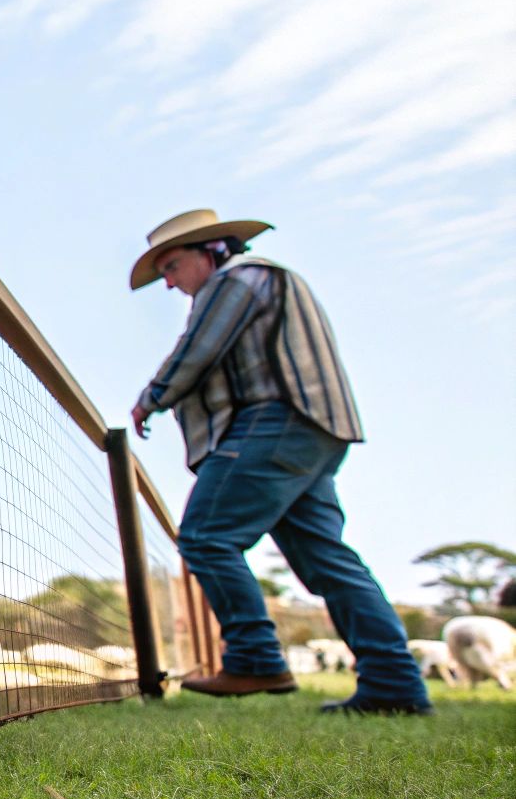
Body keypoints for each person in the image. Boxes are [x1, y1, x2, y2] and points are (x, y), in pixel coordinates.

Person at [128, 209, 431, 715]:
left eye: (172, 266)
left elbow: (198, 350)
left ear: (211, 251)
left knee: (206, 536)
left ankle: (255, 657)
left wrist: (150, 398)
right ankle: (394, 683)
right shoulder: (262, 281)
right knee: (328, 561)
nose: (169, 282)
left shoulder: (240, 280)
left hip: (277, 423)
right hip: (312, 430)